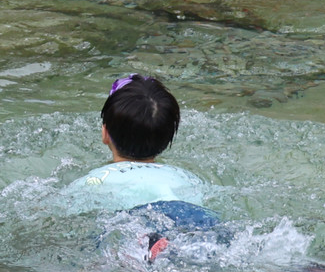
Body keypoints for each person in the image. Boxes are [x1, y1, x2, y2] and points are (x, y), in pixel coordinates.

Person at [63, 74, 220, 261]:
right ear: (168, 140)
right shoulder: (186, 176)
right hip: (193, 217)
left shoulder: (96, 179)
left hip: (138, 217)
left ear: (105, 133)